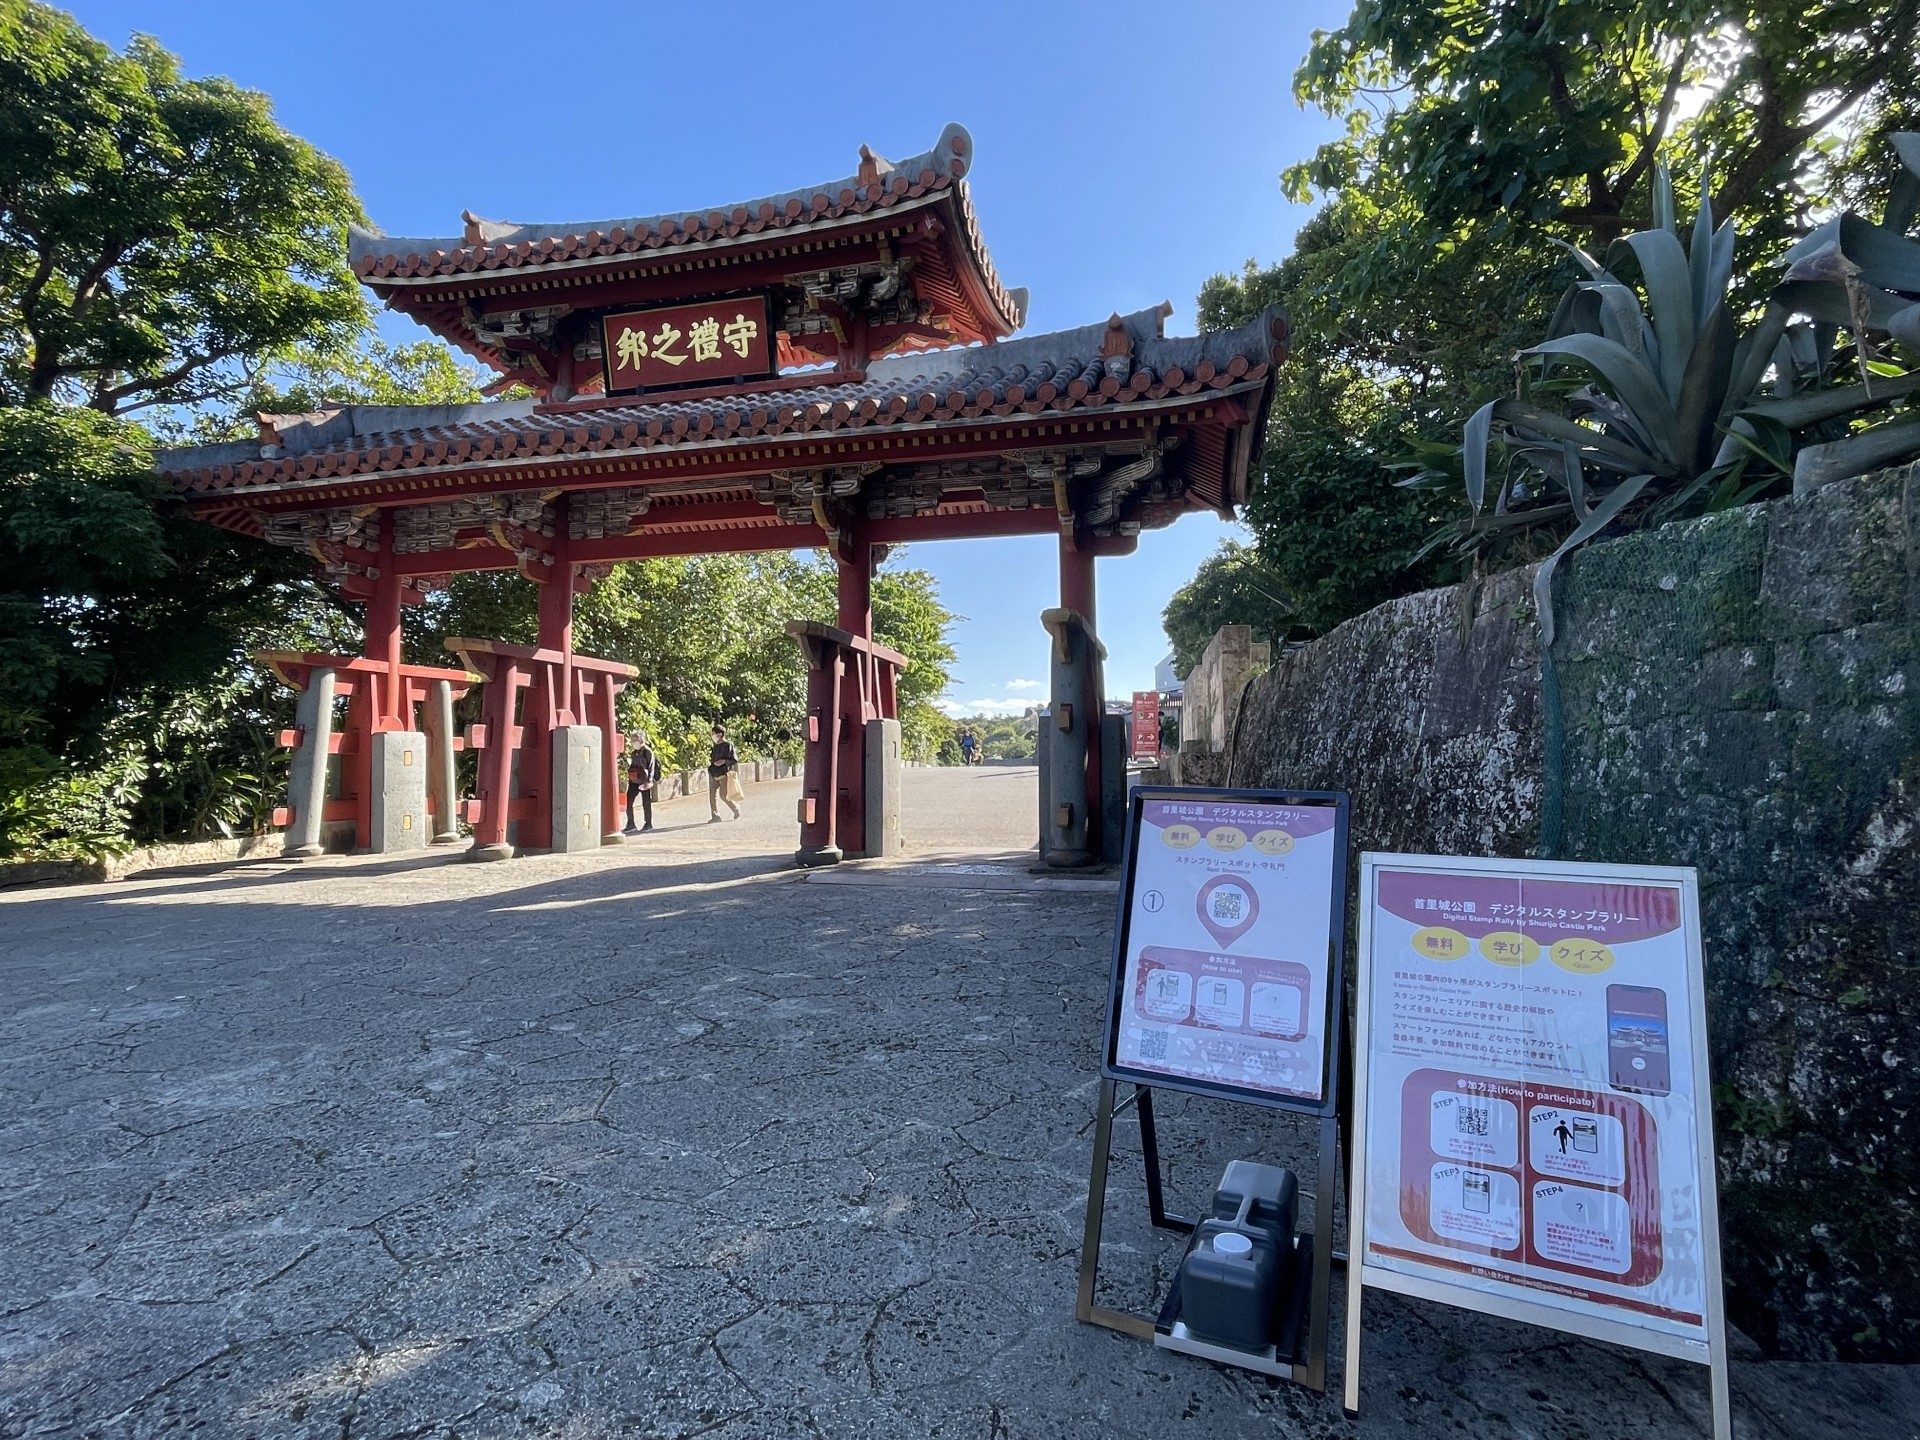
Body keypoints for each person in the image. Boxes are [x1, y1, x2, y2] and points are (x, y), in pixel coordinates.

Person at [707, 724, 741, 822]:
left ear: (720, 734)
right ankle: (715, 815)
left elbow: (734, 759)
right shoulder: (716, 745)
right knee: (712, 793)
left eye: (714, 734)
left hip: (724, 772)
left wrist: (724, 761)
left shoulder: (728, 745)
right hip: (714, 772)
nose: (713, 736)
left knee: (723, 795)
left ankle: (735, 808)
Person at [624, 737, 658, 835]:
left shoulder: (647, 752)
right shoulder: (634, 753)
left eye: (635, 740)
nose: (633, 743)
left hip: (644, 780)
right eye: (632, 740)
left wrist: (650, 780)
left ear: (641, 740)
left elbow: (651, 766)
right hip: (634, 780)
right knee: (628, 800)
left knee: (646, 802)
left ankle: (648, 823)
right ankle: (631, 823)